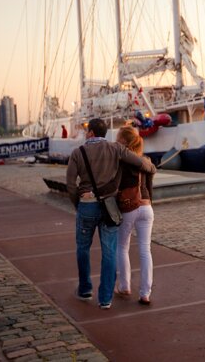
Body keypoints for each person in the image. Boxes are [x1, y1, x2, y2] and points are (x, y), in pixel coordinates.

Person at [66, 118, 156, 310]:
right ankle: (105, 298)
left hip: (87, 205)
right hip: (110, 207)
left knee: (83, 248)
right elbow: (140, 163)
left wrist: (78, 204)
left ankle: (85, 289)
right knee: (110, 251)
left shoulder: (77, 153)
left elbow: (70, 184)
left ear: (90, 133)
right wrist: (151, 167)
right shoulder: (116, 149)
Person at [114, 126, 155, 305]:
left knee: (122, 247)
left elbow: (115, 187)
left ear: (123, 141)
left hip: (129, 207)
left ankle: (124, 286)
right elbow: (150, 187)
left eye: (117, 137)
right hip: (146, 207)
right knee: (145, 250)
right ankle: (145, 293)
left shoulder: (120, 161)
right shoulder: (146, 160)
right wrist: (148, 203)